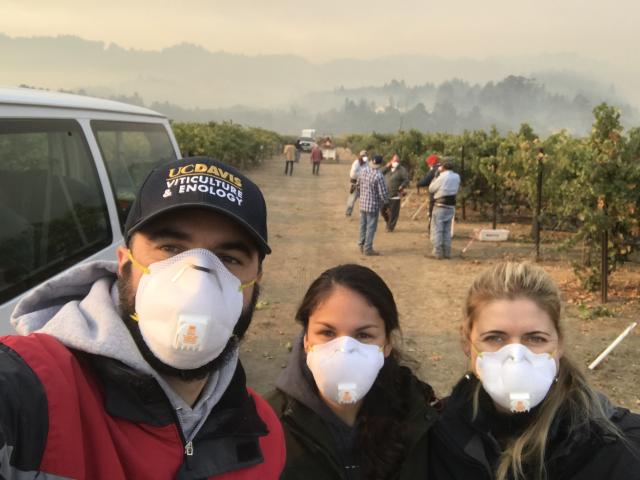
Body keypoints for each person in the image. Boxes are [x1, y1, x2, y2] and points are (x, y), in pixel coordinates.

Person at [0, 157, 285, 479]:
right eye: (170, 248)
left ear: (255, 281)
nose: (197, 283)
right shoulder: (31, 389)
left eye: (229, 258)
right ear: (124, 263)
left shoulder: (265, 436)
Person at [429, 262, 640, 480]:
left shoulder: (617, 449)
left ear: (559, 345)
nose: (516, 357)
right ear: (467, 342)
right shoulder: (438, 436)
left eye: (535, 338)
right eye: (495, 338)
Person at [267, 264, 438, 479]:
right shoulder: (267, 425)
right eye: (327, 332)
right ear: (307, 341)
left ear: (386, 345)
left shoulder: (414, 414)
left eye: (363, 335)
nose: (344, 350)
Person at [356, 154, 389, 256]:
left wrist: (361, 196)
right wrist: (387, 202)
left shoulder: (363, 171)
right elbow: (382, 193)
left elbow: (358, 185)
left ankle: (361, 244)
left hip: (362, 204)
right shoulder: (379, 176)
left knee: (362, 225)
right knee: (371, 227)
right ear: (380, 164)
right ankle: (368, 248)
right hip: (373, 206)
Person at [428, 161, 460, 259]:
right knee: (447, 230)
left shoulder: (442, 177)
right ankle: (447, 252)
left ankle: (437, 252)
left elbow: (431, 189)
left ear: (443, 167)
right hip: (451, 205)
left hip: (440, 204)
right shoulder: (457, 176)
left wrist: (436, 176)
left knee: (437, 229)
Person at [380, 153, 410, 232]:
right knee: (382, 210)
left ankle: (390, 227)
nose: (396, 162)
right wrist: (387, 166)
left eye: (397, 160)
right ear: (391, 160)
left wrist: (402, 186)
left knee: (394, 213)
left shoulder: (402, 170)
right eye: (394, 160)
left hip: (395, 194)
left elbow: (406, 180)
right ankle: (388, 221)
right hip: (385, 194)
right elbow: (379, 173)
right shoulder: (387, 168)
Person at [416, 154, 441, 233]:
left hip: (435, 195)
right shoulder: (443, 169)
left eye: (428, 163)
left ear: (432, 162)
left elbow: (426, 181)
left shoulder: (434, 170)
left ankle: (431, 231)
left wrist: (418, 183)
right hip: (446, 196)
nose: (428, 164)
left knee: (432, 213)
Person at [345, 149, 368, 217]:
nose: (365, 157)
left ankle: (363, 214)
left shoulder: (366, 163)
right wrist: (362, 175)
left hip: (363, 184)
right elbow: (352, 174)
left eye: (366, 156)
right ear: (360, 156)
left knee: (364, 200)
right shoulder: (356, 163)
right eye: (363, 156)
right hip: (354, 183)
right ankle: (348, 212)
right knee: (352, 199)